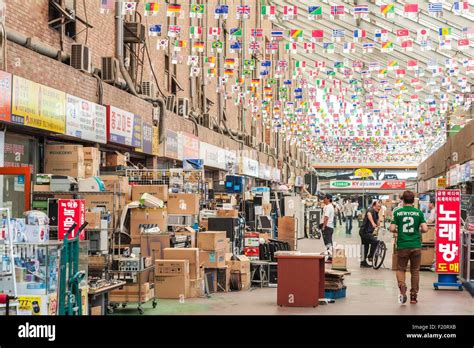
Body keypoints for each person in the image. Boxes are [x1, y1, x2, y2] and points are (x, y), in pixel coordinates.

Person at [390, 191, 428, 305]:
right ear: (413, 200)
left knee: (401, 269)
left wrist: (399, 230)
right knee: (415, 271)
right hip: (416, 245)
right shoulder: (419, 213)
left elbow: (392, 228)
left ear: (403, 200)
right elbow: (425, 229)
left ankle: (402, 286)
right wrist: (417, 230)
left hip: (402, 245)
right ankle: (413, 296)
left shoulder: (398, 212)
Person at [359, 201, 382, 268]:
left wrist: (378, 224)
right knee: (375, 242)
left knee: (365, 247)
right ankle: (370, 256)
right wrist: (372, 223)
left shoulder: (376, 213)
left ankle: (363, 262)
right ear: (374, 206)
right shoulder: (370, 210)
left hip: (367, 232)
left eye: (380, 206)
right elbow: (369, 215)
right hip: (365, 231)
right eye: (378, 206)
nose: (379, 207)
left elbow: (378, 221)